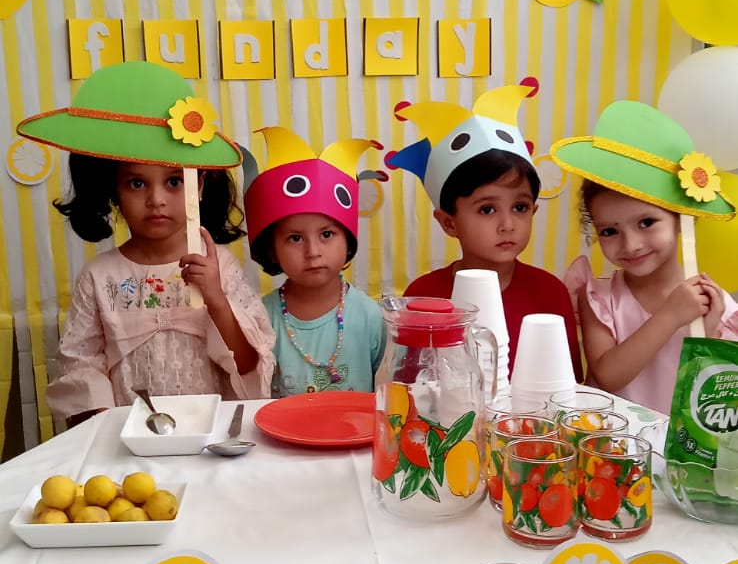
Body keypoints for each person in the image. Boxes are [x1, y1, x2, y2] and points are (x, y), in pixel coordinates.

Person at [17, 62, 274, 423]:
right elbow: (80, 367)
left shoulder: (221, 268)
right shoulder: (99, 277)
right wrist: (108, 431)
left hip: (211, 436)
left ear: (199, 186)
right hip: (128, 440)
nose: (156, 200)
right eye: (137, 183)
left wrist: (215, 297)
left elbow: (248, 365)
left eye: (174, 182)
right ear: (114, 190)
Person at [550, 99, 738, 415]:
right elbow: (607, 376)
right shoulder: (599, 298)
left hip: (675, 443)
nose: (631, 244)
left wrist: (704, 334)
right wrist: (670, 315)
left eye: (646, 222)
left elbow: (712, 403)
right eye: (610, 231)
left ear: (681, 218)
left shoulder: (716, 305)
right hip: (609, 440)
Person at [387, 84, 582, 378]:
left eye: (520, 207)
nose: (508, 224)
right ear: (449, 223)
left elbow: (569, 386)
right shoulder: (424, 297)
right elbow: (409, 386)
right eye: (487, 209)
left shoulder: (549, 293)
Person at [244, 127, 386, 396]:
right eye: (296, 238)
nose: (313, 251)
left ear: (348, 240)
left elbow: (386, 386)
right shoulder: (262, 316)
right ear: (272, 250)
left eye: (326, 234)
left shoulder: (370, 316)